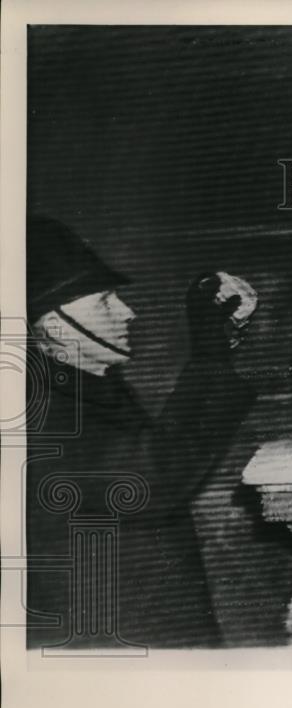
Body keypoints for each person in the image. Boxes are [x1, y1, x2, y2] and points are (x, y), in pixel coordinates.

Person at [25, 215, 259, 649]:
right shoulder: (41, 414)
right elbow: (152, 478)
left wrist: (214, 344)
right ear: (55, 325)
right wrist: (209, 351)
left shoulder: (87, 386)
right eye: (106, 301)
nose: (127, 312)